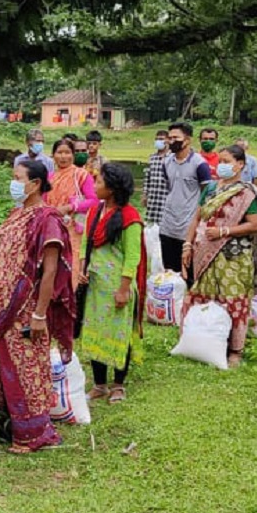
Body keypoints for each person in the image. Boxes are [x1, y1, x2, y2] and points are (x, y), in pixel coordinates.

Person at [0, 161, 75, 453]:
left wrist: (38, 316)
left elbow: (49, 272)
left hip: (25, 310)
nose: (14, 183)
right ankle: (5, 423)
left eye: (17, 178)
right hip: (2, 309)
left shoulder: (47, 219)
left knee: (27, 369)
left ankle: (33, 433)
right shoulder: (16, 214)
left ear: (35, 184)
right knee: (7, 367)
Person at [181, 145, 257, 368]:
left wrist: (224, 232)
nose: (220, 165)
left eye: (226, 161)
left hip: (233, 256)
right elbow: (196, 219)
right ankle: (201, 341)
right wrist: (187, 244)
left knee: (233, 300)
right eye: (219, 161)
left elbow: (254, 225)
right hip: (204, 252)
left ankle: (235, 350)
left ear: (240, 165)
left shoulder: (246, 192)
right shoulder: (211, 188)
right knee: (203, 295)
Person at [78, 163, 146, 405]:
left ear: (113, 187)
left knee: (119, 333)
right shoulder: (95, 212)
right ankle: (99, 384)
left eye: (99, 181)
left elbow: (132, 257)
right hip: (96, 285)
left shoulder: (131, 218)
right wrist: (82, 269)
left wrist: (124, 289)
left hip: (118, 286)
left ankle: (118, 385)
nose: (94, 185)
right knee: (95, 330)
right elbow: (86, 241)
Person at [160, 122, 213, 284]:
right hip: (168, 225)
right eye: (169, 138)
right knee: (170, 273)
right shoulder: (167, 162)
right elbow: (171, 187)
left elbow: (207, 194)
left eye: (176, 137)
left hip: (188, 228)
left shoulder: (199, 164)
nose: (171, 141)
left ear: (187, 140)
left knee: (188, 274)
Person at [46, 139, 98, 288]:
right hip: (52, 228)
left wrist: (71, 206)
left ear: (73, 155)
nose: (63, 157)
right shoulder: (50, 177)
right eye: (59, 152)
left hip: (73, 231)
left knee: (72, 264)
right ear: (53, 155)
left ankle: (72, 297)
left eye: (67, 152)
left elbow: (93, 201)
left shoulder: (81, 175)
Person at [141, 130, 171, 226]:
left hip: (165, 197)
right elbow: (148, 177)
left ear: (168, 141)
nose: (158, 141)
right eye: (157, 139)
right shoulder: (152, 158)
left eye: (161, 139)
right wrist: (145, 194)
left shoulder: (171, 158)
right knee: (150, 224)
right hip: (153, 198)